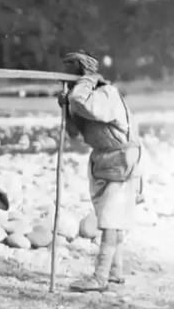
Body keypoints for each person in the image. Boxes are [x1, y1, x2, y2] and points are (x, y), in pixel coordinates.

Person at [58, 50, 143, 292]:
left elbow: (81, 102)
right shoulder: (87, 97)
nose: (65, 75)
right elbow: (75, 132)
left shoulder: (106, 94)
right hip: (105, 160)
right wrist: (65, 109)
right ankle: (115, 272)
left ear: (84, 71)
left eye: (70, 70)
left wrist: (84, 82)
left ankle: (100, 277)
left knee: (110, 220)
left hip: (122, 161)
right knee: (111, 220)